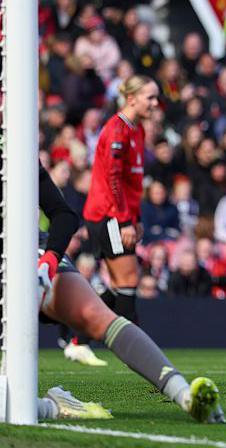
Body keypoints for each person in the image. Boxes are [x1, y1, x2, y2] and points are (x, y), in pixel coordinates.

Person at [0, 75, 224, 422]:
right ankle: (54, 405)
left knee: (98, 318)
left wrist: (49, 259)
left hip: (23, 262)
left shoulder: (4, 146)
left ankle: (187, 396)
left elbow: (63, 214)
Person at [68, 75, 157, 366]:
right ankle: (137, 350)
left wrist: (137, 217)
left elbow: (133, 182)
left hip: (119, 215)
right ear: (131, 98)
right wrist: (124, 221)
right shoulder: (117, 131)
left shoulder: (137, 129)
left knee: (123, 284)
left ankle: (79, 338)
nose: (155, 104)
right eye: (150, 98)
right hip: (108, 215)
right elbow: (114, 180)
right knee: (128, 281)